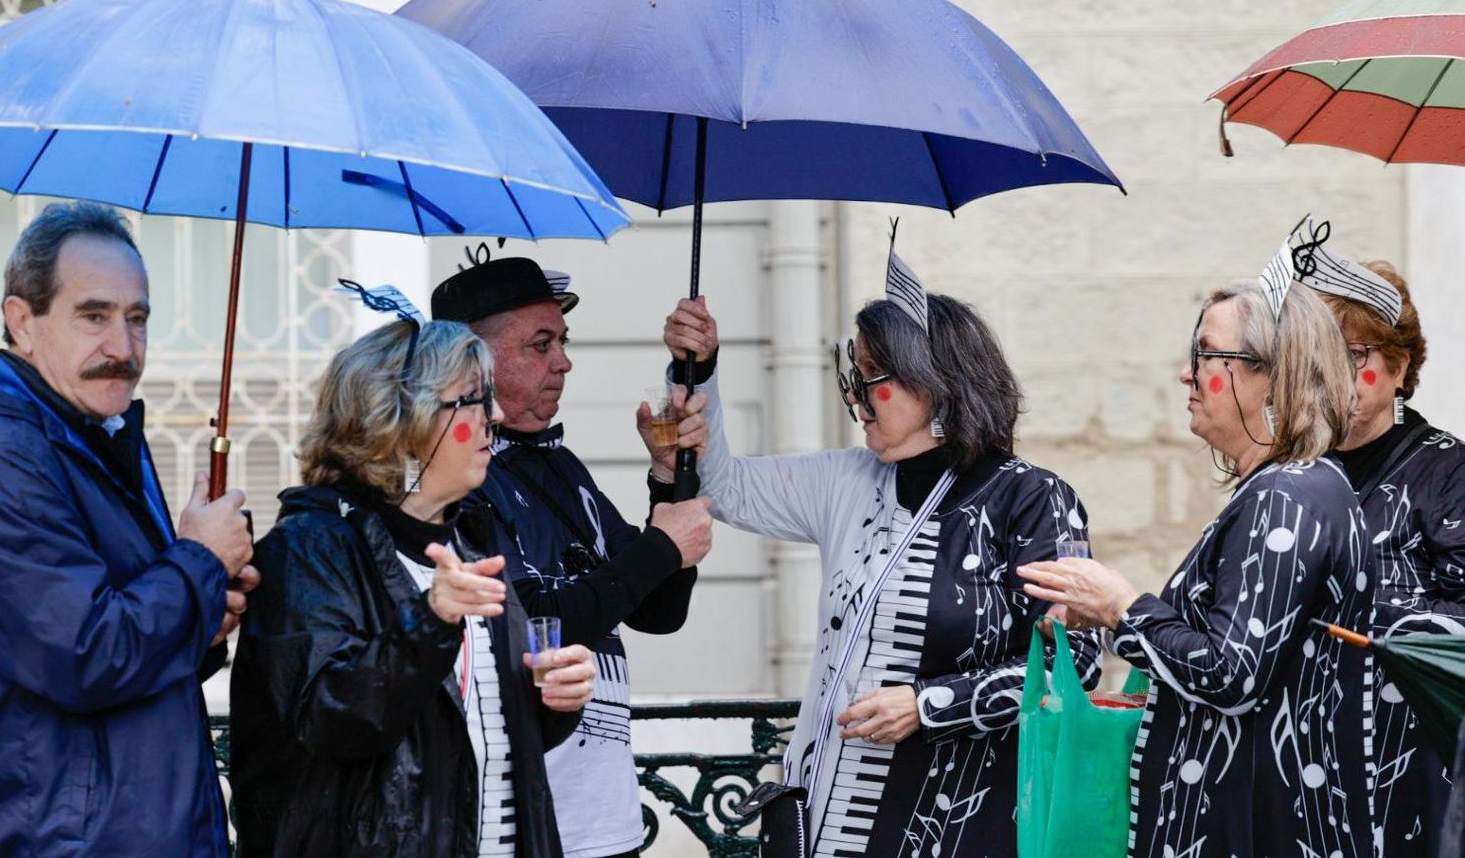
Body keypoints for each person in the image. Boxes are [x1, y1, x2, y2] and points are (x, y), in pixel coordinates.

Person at [666, 235, 1099, 857]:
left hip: (957, 825)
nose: (856, 399)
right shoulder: (848, 479)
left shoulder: (1030, 499)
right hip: (826, 817)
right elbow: (725, 487)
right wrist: (697, 368)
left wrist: (929, 705)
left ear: (937, 385)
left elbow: (1073, 665)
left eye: (874, 378)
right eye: (855, 375)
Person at [0, 200, 256, 857]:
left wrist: (201, 612)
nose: (123, 349)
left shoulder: (88, 435)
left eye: (137, 319)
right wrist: (198, 561)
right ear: (22, 322)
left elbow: (106, 634)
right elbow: (88, 655)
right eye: (94, 316)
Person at [1018, 218, 1375, 858]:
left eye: (1204, 355)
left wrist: (1123, 606)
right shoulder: (1293, 488)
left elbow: (1230, 675)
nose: (1185, 373)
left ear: (1270, 373)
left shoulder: (1289, 495)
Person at [230, 286, 597, 858]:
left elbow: (476, 733)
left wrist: (550, 701)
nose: (496, 417)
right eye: (474, 400)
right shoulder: (309, 548)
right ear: (405, 418)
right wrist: (431, 621)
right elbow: (333, 723)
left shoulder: (472, 542)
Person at [430, 247, 713, 858]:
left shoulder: (560, 464)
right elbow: (531, 624)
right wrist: (664, 545)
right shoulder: (458, 478)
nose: (565, 362)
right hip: (519, 821)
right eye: (541, 344)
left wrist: (668, 482)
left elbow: (657, 613)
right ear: (473, 361)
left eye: (563, 340)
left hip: (602, 816)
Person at [1308, 234, 1462, 855]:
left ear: (1399, 368)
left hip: (1414, 759)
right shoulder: (1295, 473)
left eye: (1357, 353)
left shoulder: (1448, 470)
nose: (1336, 372)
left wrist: (1367, 621)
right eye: (1319, 354)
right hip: (1314, 757)